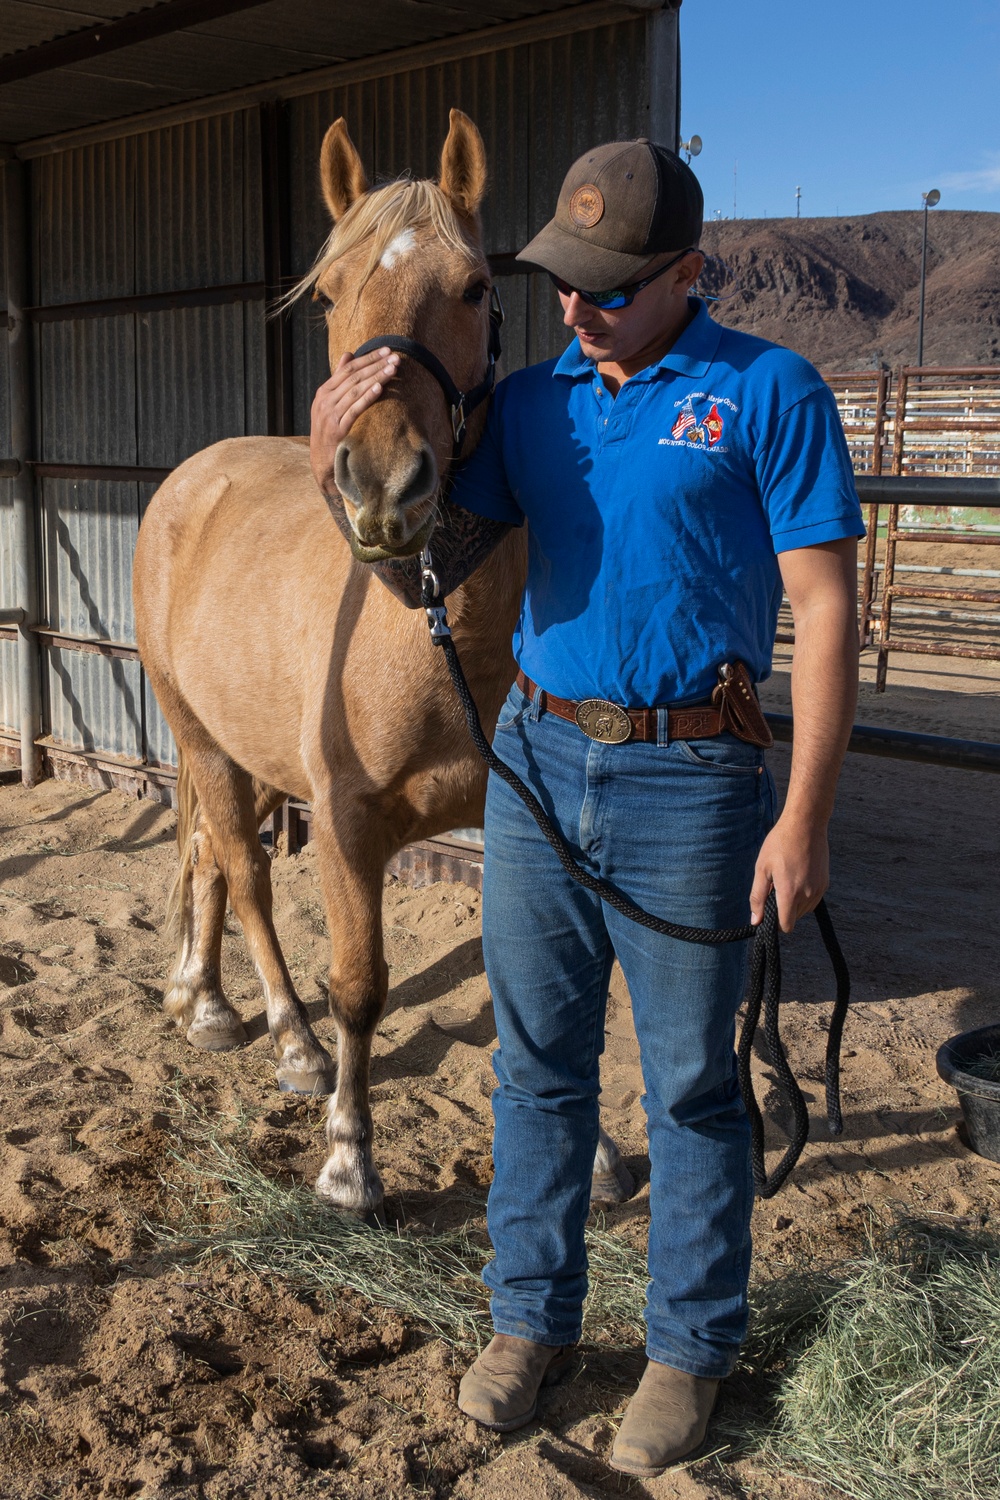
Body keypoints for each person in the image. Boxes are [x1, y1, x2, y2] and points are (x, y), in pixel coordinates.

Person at [311, 139, 863, 1477]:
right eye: (563, 284)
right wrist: (344, 472)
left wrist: (805, 817)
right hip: (538, 765)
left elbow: (827, 605)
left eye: (611, 288)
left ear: (691, 272)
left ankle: (687, 1351)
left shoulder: (768, 393)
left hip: (694, 778)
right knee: (537, 1071)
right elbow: (425, 571)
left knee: (688, 1085)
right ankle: (529, 1322)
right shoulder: (542, 406)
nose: (579, 309)